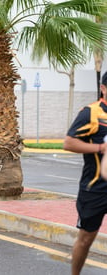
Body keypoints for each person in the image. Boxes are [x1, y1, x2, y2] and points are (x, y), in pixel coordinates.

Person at [64, 71, 107, 275]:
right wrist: (100, 148)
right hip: (95, 188)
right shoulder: (91, 113)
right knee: (86, 238)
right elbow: (69, 142)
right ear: (103, 89)